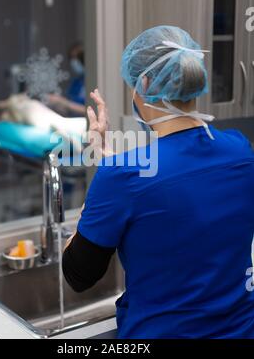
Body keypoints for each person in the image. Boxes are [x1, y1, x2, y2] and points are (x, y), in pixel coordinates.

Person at [62, 26, 254, 338]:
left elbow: (78, 274)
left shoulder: (123, 176)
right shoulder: (241, 150)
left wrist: (97, 194)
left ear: (145, 83)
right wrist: (112, 163)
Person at [48, 42, 86, 117]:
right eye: (72, 58)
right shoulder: (76, 82)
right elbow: (67, 106)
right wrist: (57, 103)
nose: (74, 62)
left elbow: (90, 110)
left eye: (76, 58)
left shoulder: (92, 81)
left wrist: (63, 102)